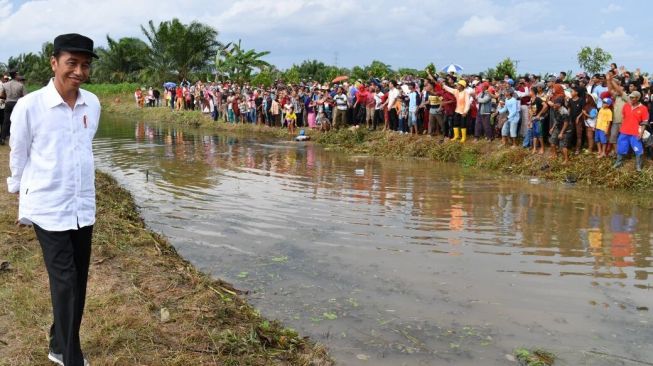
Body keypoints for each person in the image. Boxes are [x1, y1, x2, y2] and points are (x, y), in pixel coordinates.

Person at [7, 33, 100, 366]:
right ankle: (70, 356)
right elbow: (19, 154)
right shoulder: (31, 106)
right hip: (48, 207)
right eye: (71, 63)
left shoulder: (93, 103)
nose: (78, 71)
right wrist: (21, 196)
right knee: (65, 282)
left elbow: (83, 147)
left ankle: (57, 343)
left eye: (84, 65)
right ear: (54, 62)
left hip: (81, 206)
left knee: (78, 279)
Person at [613, 91, 649, 171]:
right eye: (630, 97)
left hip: (635, 133)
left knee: (638, 149)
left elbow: (644, 123)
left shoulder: (643, 108)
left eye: (633, 97)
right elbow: (623, 117)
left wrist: (641, 133)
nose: (631, 98)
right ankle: (618, 163)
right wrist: (621, 128)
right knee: (621, 148)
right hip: (624, 132)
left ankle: (638, 166)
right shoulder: (626, 106)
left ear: (638, 98)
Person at [0, 70, 25, 145]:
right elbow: (25, 96)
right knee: (18, 121)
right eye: (18, 74)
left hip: (8, 103)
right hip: (17, 104)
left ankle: (2, 138)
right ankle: (18, 138)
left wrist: (7, 97)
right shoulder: (20, 85)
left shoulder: (5, 85)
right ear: (16, 75)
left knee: (6, 121)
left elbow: (1, 95)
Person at [549, 97, 573, 164]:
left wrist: (561, 133)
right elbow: (556, 120)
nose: (553, 104)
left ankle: (566, 160)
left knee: (563, 146)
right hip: (558, 127)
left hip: (566, 130)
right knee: (552, 142)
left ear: (559, 104)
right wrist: (552, 128)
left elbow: (566, 123)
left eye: (555, 103)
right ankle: (554, 155)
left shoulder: (564, 112)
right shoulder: (555, 109)